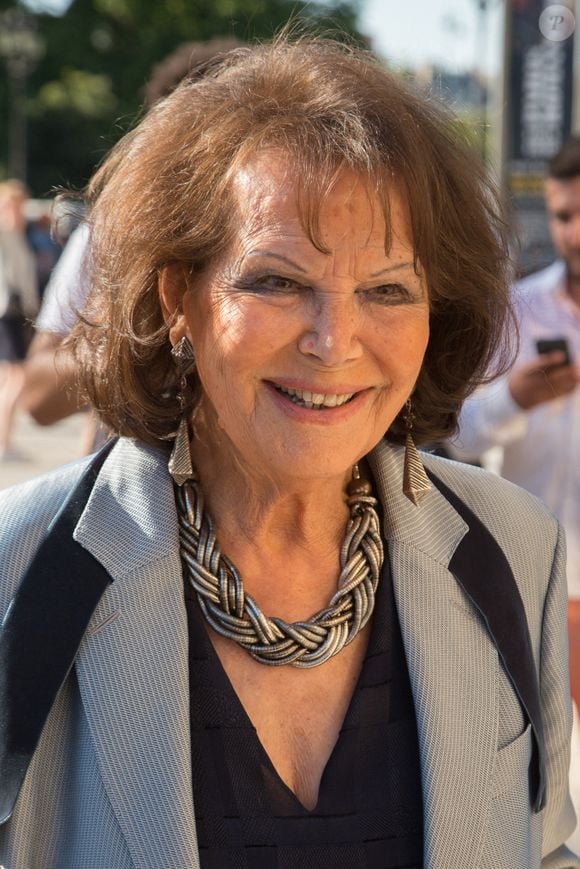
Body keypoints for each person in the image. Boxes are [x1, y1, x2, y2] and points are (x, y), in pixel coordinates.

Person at [0, 37, 577, 869]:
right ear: (179, 301)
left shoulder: (510, 547)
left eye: (387, 289)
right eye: (276, 281)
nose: (334, 342)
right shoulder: (26, 566)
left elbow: (541, 846)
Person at [450, 135, 580, 712]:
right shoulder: (518, 311)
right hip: (539, 578)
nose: (575, 232)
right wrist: (514, 400)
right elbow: (460, 432)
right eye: (563, 215)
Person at [0, 180, 39, 460]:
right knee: (17, 377)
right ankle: (4, 442)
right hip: (10, 311)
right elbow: (19, 279)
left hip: (11, 311)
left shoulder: (13, 233)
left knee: (8, 378)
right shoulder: (7, 234)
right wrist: (33, 308)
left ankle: (5, 440)